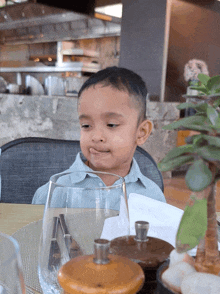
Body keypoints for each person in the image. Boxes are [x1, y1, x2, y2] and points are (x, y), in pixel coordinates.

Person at [32, 66, 166, 205]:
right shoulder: (53, 193)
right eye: (86, 126)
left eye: (111, 125)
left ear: (141, 133)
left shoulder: (152, 197)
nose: (96, 137)